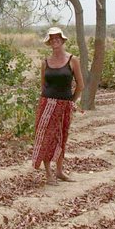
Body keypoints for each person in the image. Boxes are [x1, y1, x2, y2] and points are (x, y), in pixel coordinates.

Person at [32, 26, 84, 185]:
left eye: (58, 38)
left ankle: (60, 171)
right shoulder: (45, 62)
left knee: (62, 137)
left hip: (64, 106)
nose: (55, 40)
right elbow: (43, 85)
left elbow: (80, 85)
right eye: (52, 38)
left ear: (62, 40)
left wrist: (70, 102)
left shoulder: (72, 60)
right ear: (49, 42)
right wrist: (47, 101)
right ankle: (49, 174)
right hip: (47, 104)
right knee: (47, 138)